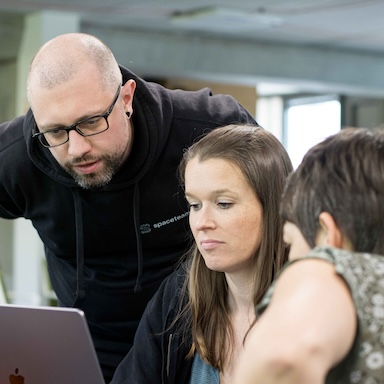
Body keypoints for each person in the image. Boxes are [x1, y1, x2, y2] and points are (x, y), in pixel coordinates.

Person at [0, 33, 257, 382]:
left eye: (91, 122)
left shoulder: (208, 129)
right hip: (88, 348)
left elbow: (280, 218)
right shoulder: (19, 156)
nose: (76, 149)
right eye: (56, 132)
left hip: (197, 336)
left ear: (126, 98)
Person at [110, 124, 293, 384]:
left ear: (274, 207)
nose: (201, 222)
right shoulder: (178, 297)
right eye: (195, 205)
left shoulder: (315, 309)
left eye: (223, 204)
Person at [233, 127, 384, 384]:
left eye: (290, 242)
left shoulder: (333, 268)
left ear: (327, 235)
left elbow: (280, 360)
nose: (290, 257)